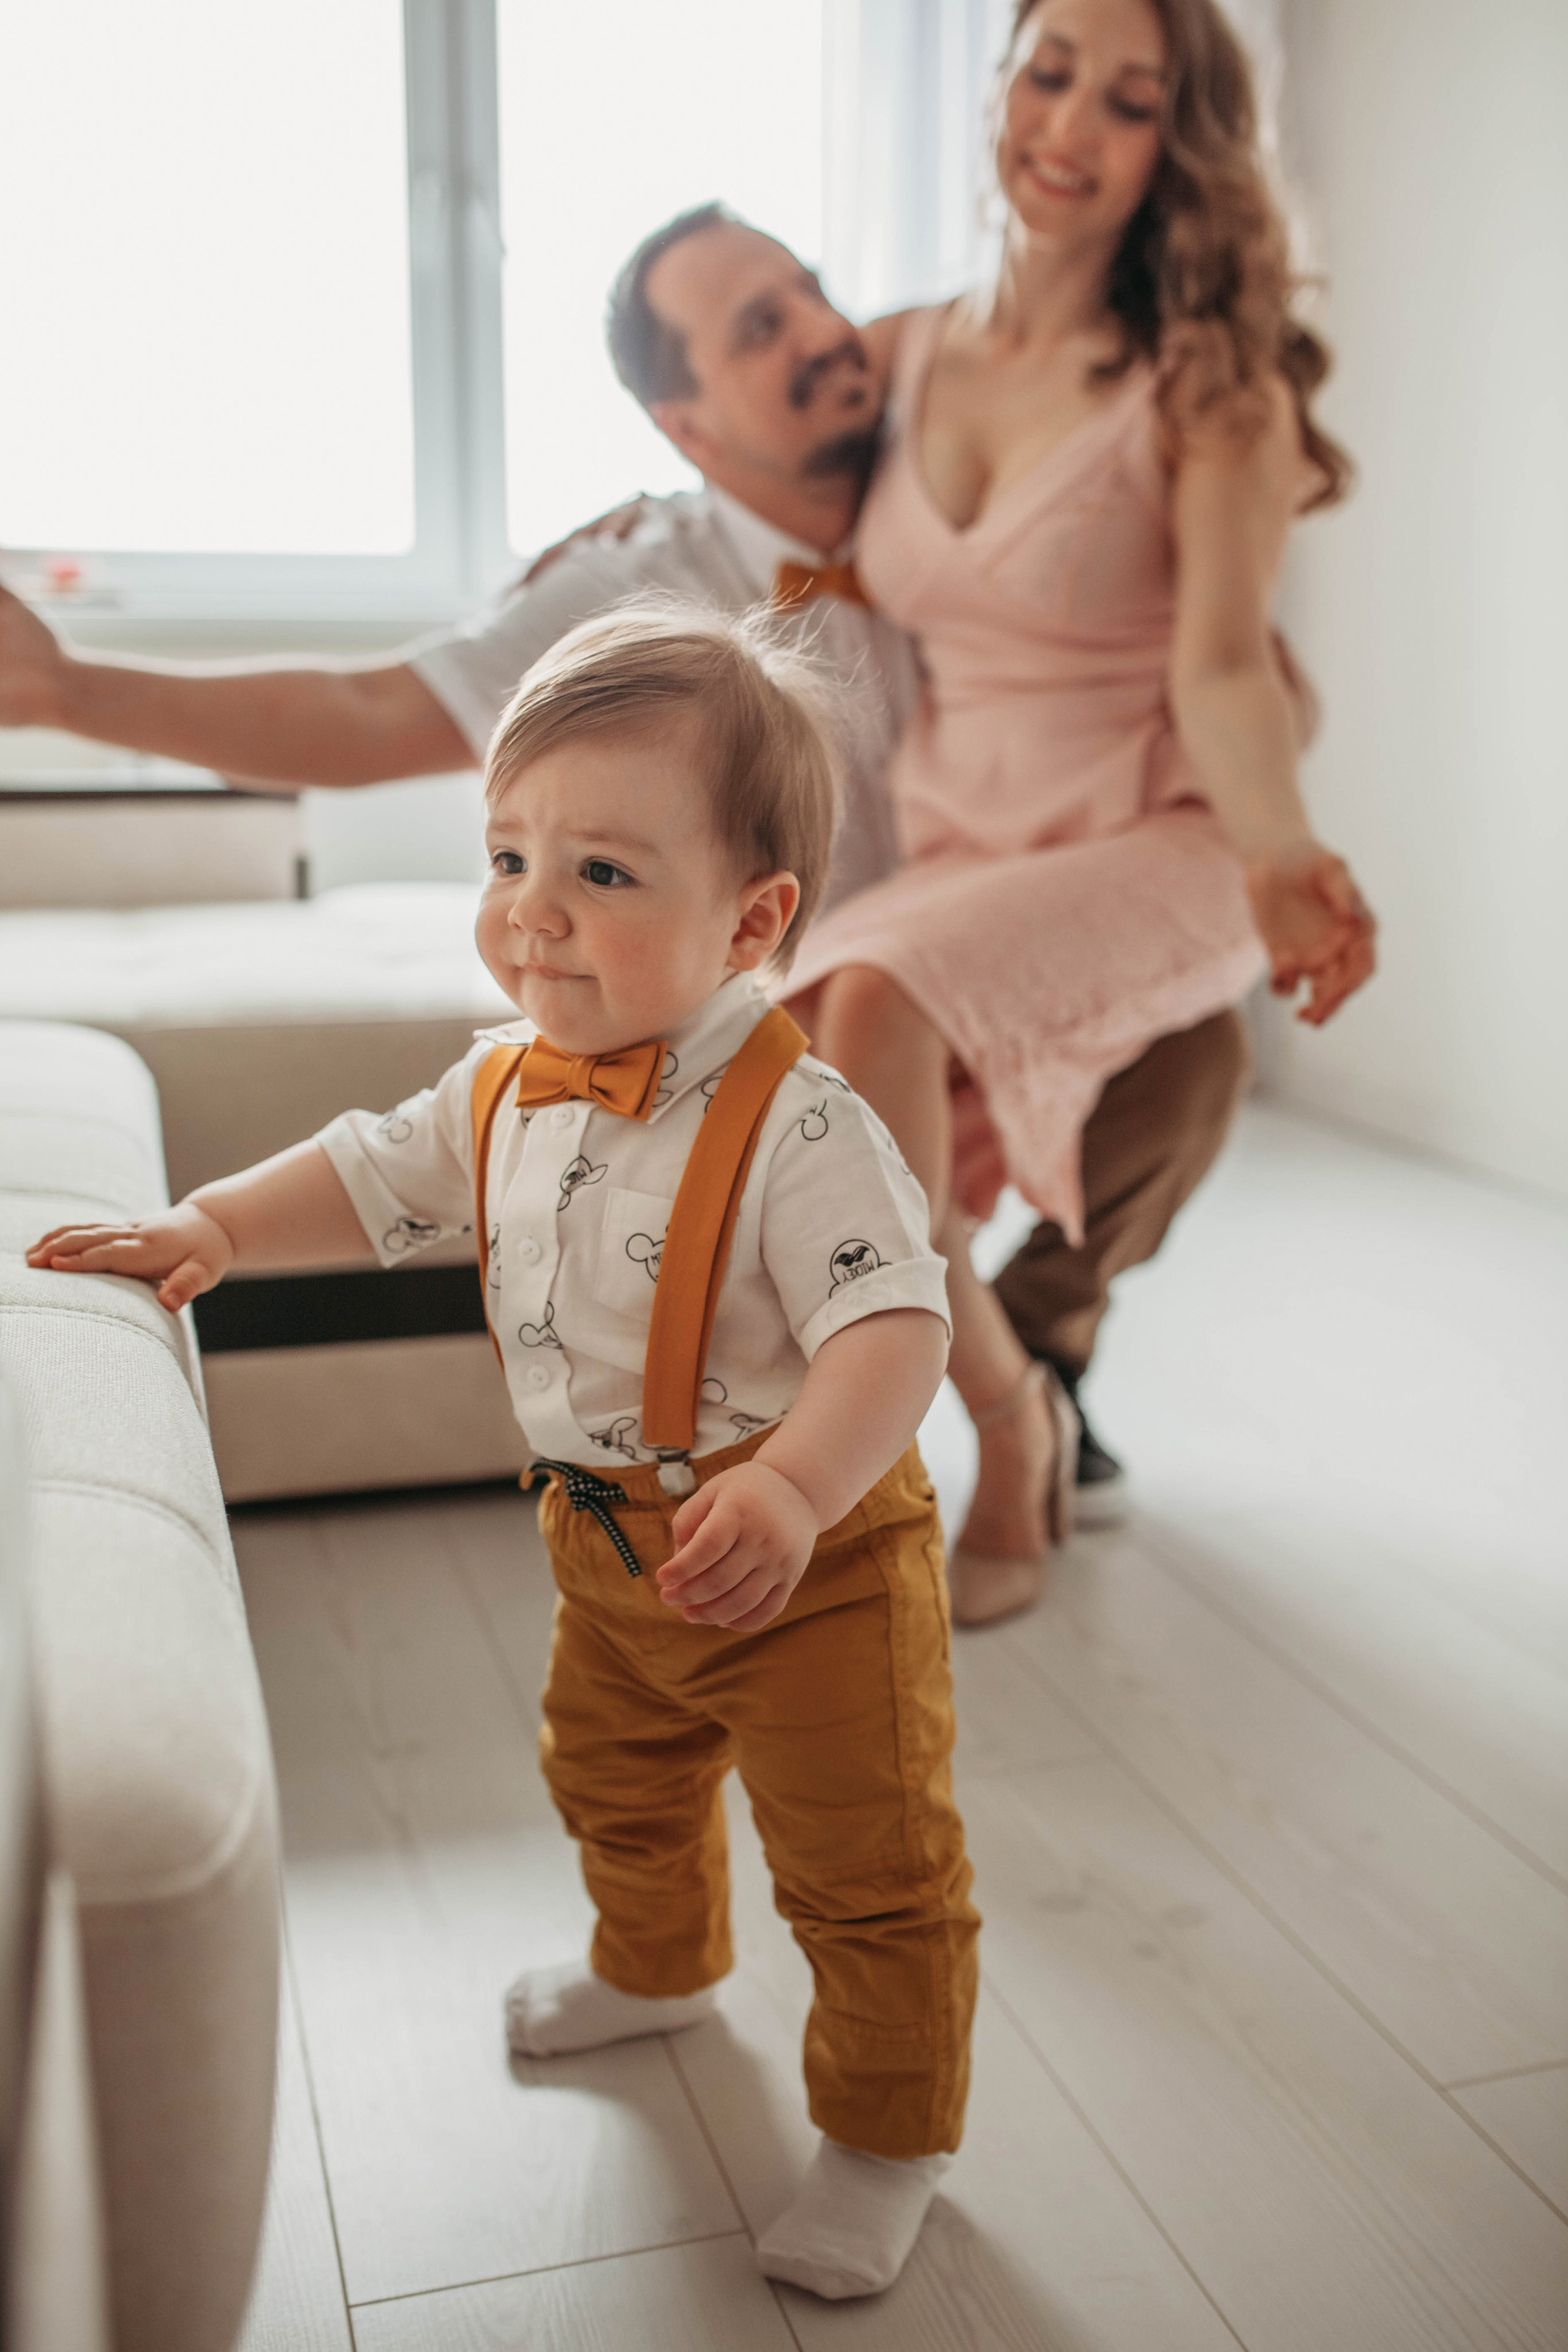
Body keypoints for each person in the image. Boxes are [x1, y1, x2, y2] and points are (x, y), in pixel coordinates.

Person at [0, 199, 1251, 1519]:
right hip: (809, 984)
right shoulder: (636, 581)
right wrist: (74, 693)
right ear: (688, 429)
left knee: (1195, 1051)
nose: (823, 335)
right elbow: (374, 712)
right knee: (846, 1089)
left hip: (986, 920)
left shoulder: (942, 460)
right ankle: (896, 1419)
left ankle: (1040, 1342)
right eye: (761, 329)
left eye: (814, 291)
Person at [27, 604, 979, 2303]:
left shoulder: (808, 1127)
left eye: (603, 873)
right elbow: (367, 1174)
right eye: (509, 851)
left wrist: (794, 1485)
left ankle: (889, 2135)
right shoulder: (505, 1084)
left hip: (810, 1559)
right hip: (602, 1547)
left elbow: (894, 1331)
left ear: (755, 919)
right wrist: (212, 1226)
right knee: (614, 1780)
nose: (531, 910)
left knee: (866, 1859)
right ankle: (657, 1963)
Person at [786, 0, 1379, 1623]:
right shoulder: (903, 352)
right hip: (969, 848)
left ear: (1173, 148)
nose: (1068, 125)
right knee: (805, 1039)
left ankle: (988, 1439)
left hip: (1160, 837)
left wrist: (1281, 851)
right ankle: (1009, 1406)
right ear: (995, 84)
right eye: (1047, 73)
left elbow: (1227, 669)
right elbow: (755, 512)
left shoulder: (1209, 388)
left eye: (1127, 102)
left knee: (879, 1000)